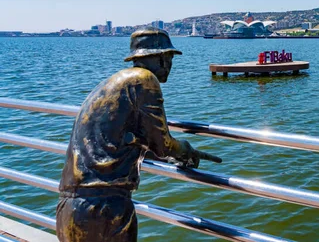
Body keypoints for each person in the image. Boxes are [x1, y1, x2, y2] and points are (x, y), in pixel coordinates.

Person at [57, 28, 220, 242]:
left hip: (70, 207)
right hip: (104, 210)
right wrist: (187, 151)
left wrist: (163, 155)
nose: (170, 65)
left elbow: (120, 144)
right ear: (160, 58)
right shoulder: (144, 79)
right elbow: (163, 145)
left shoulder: (111, 85)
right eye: (169, 58)